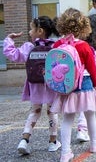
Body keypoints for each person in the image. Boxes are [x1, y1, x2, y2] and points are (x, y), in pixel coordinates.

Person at [51, 8, 96, 162]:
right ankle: (94, 143)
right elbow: (92, 69)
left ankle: (65, 152)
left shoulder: (58, 45)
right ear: (83, 26)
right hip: (85, 83)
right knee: (90, 115)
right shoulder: (83, 46)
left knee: (67, 118)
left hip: (67, 86)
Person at [3, 16, 61, 155]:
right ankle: (53, 142)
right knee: (52, 112)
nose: (29, 32)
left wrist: (9, 39)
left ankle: (24, 140)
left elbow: (12, 54)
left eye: (31, 29)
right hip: (51, 85)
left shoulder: (29, 47)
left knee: (35, 111)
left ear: (39, 31)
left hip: (34, 85)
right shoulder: (55, 46)